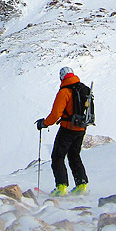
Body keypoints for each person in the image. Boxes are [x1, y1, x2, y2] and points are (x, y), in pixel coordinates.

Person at [36, 66, 89, 196]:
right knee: (74, 155)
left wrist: (44, 123)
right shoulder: (83, 89)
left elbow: (55, 114)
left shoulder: (64, 91)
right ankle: (81, 185)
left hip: (67, 128)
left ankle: (61, 187)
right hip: (81, 128)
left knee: (58, 157)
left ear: (61, 77)